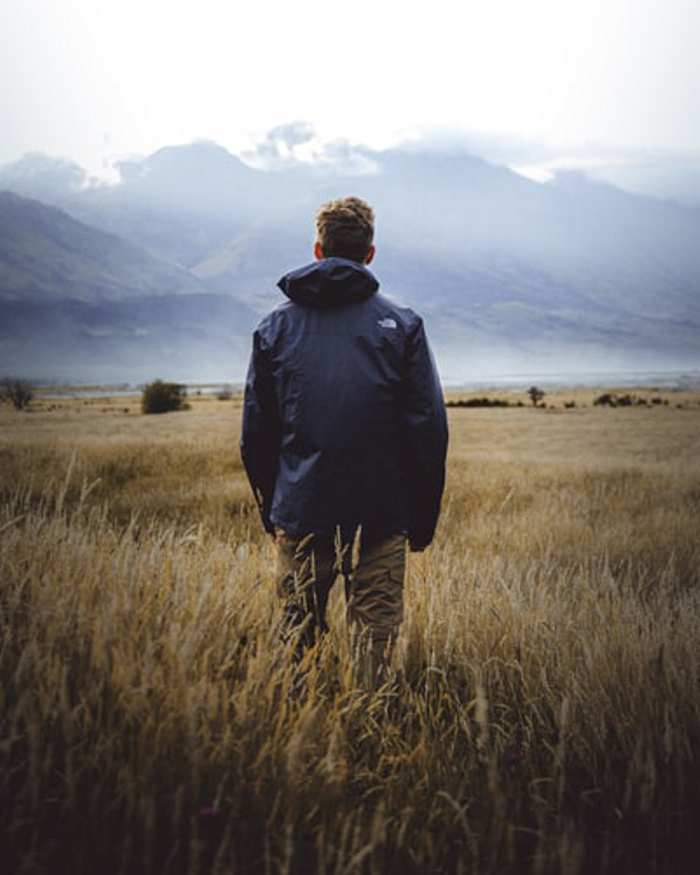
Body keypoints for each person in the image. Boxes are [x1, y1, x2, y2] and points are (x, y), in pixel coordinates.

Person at [240, 196, 448, 683]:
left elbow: (256, 434)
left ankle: (299, 727)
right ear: (370, 254)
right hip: (384, 510)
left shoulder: (274, 327)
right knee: (375, 632)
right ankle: (371, 728)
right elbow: (429, 430)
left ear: (318, 249)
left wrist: (273, 506)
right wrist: (422, 517)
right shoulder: (403, 325)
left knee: (298, 630)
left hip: (302, 506)